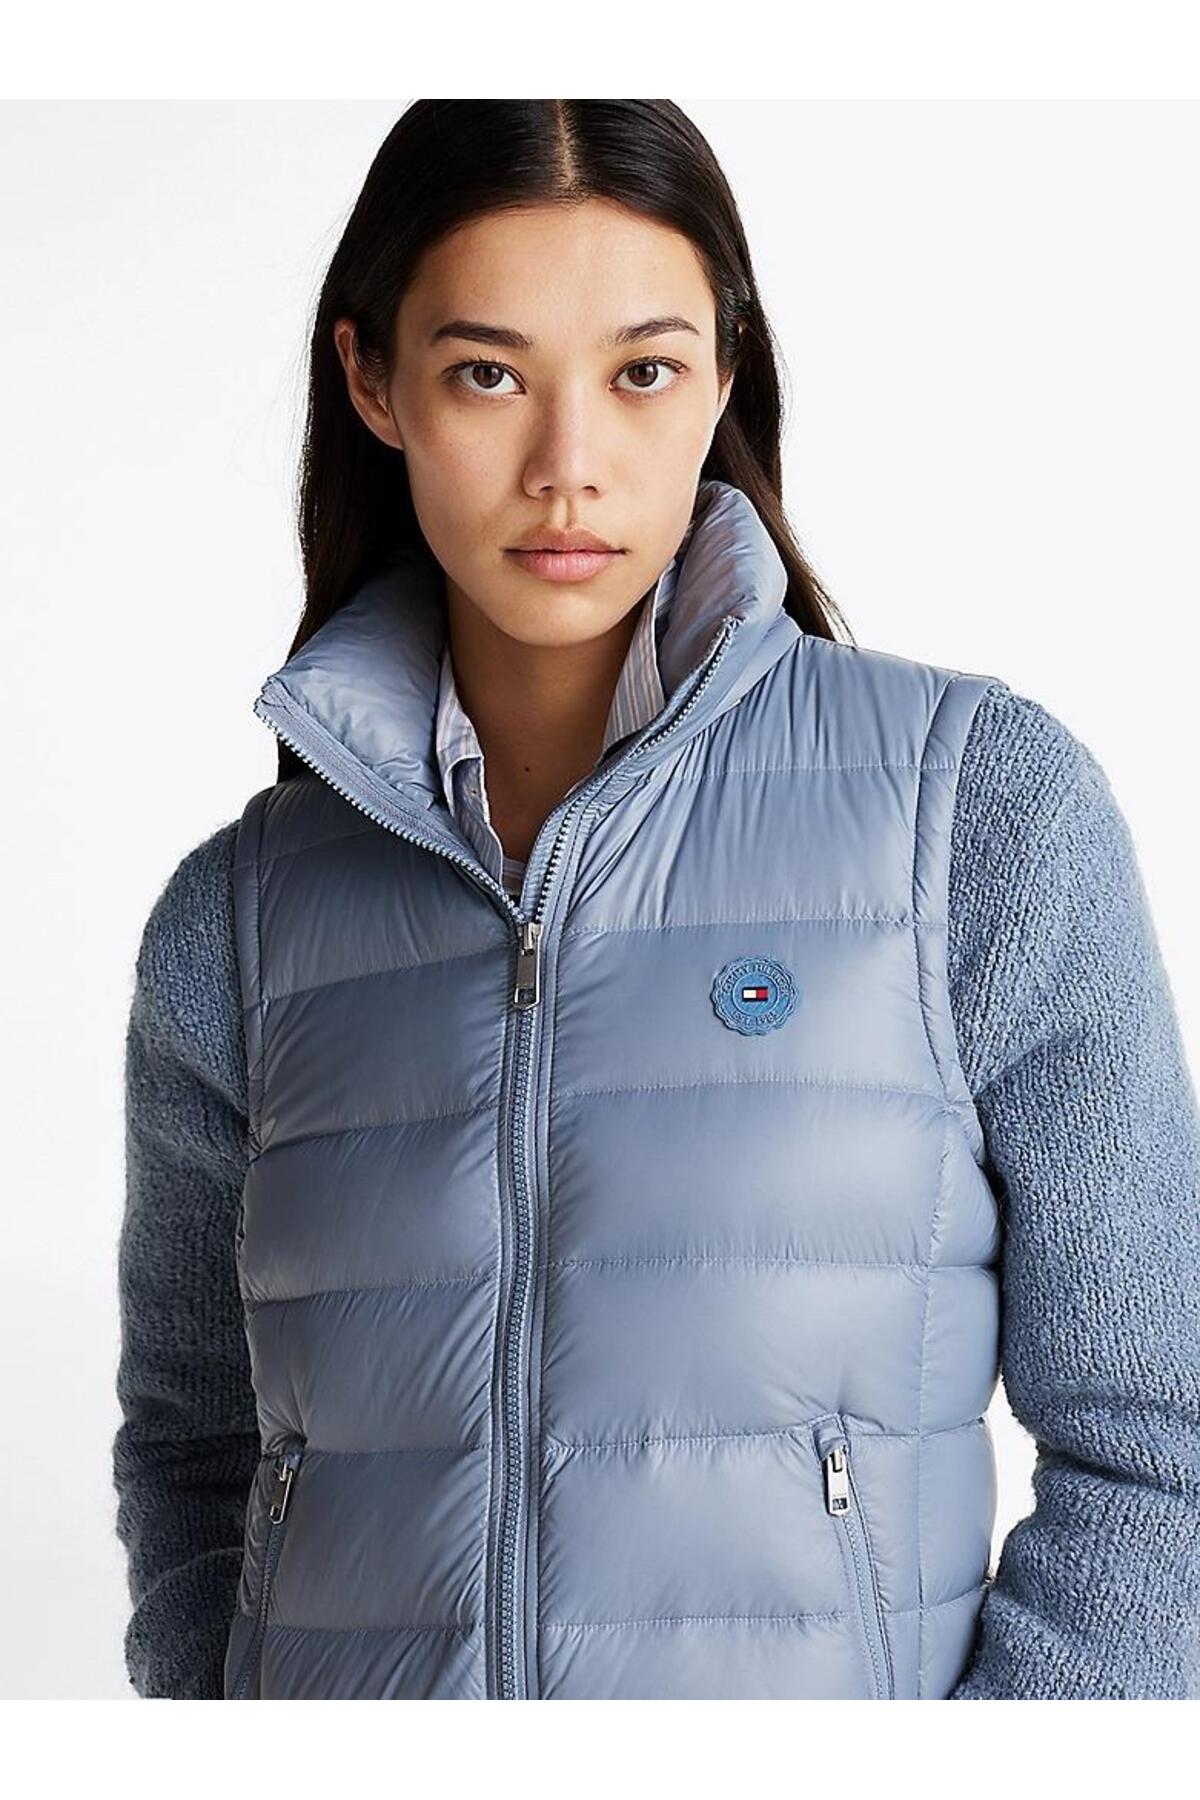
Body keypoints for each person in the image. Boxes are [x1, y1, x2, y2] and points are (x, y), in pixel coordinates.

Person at [112, 99, 1200, 1701]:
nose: (570, 467)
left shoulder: (974, 811)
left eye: (642, 372)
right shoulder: (242, 921)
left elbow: (1159, 1443)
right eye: (489, 374)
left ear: (725, 374)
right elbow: (195, 1456)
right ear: (373, 381)